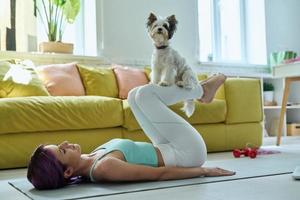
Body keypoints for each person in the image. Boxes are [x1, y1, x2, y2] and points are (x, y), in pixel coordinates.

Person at [27, 74, 235, 190]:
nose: (65, 143)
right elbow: (159, 174)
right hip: (187, 153)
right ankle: (201, 91)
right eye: (62, 151)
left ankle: (201, 90)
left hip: (167, 146)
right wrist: (205, 171)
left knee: (134, 95)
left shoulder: (91, 157)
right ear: (68, 172)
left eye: (59, 145)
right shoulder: (103, 168)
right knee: (144, 95)